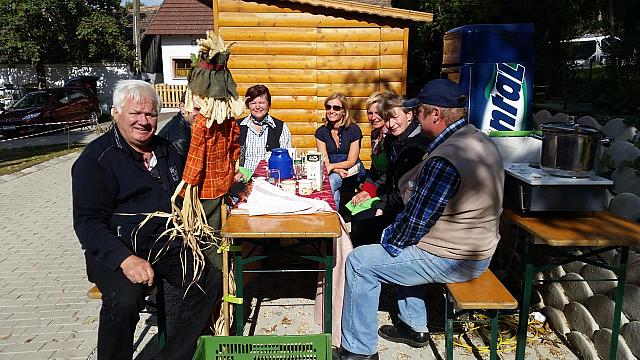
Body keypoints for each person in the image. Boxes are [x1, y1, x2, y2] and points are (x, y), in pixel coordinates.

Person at [338, 79, 505, 360]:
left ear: (435, 114)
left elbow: (415, 223)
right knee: (401, 250)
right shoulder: (477, 137)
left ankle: (358, 350)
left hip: (456, 258)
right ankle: (414, 327)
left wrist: (386, 237)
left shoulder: (447, 157)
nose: (416, 116)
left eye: (420, 112)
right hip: (477, 247)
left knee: (361, 261)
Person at [72, 80, 219, 360]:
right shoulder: (97, 159)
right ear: (116, 113)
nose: (143, 121)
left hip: (162, 242)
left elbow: (187, 189)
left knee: (207, 278)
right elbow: (87, 223)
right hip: (117, 249)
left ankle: (174, 355)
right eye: (135, 113)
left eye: (150, 114)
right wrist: (126, 260)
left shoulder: (165, 150)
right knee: (125, 301)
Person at [349, 92, 429, 247]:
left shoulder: (413, 145)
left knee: (360, 223)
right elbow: (379, 170)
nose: (390, 124)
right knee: (357, 216)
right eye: (369, 113)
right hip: (392, 199)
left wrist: (381, 204)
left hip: (403, 209)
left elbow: (402, 186)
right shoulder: (389, 138)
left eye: (393, 117)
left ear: (409, 115)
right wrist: (368, 190)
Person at [315, 93, 364, 208]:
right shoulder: (321, 132)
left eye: (336, 108)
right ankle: (334, 218)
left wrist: (332, 167)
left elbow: (351, 160)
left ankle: (330, 217)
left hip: (351, 170)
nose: (331, 111)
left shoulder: (354, 130)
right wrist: (336, 169)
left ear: (344, 111)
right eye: (328, 107)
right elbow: (324, 159)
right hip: (333, 171)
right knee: (331, 184)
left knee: (330, 182)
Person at [237, 84, 292, 172]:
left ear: (268, 104)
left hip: (271, 179)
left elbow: (287, 157)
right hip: (243, 180)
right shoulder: (237, 126)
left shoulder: (280, 127)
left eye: (261, 103)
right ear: (248, 105)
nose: (257, 107)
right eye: (253, 103)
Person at [157, 91, 200, 166]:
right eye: (196, 109)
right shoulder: (179, 140)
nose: (202, 114)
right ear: (183, 108)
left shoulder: (190, 127)